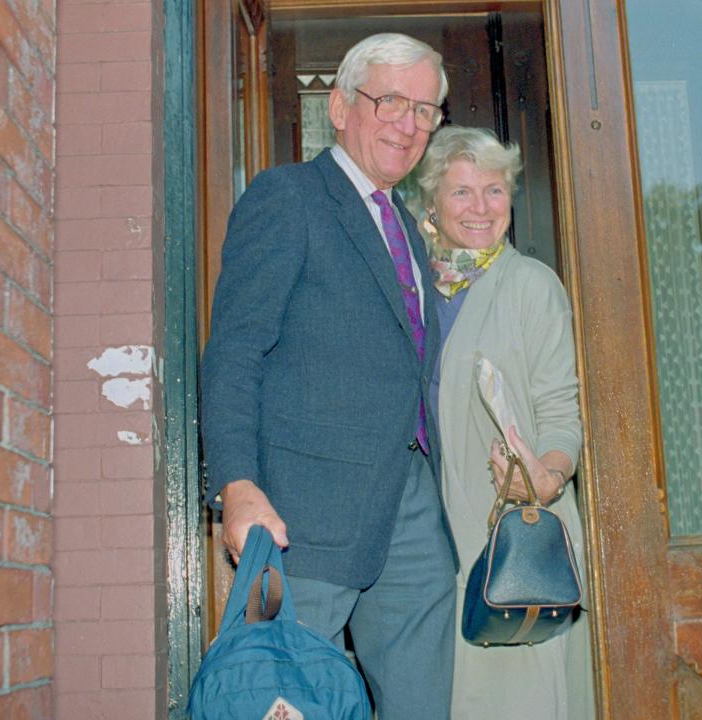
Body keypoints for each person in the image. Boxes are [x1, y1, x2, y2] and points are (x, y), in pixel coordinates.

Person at [200, 34, 457, 720]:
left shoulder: (405, 224)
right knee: (287, 703)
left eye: (426, 110)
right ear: (340, 107)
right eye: (392, 101)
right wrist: (237, 485)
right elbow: (235, 350)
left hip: (411, 517)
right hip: (304, 518)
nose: (409, 124)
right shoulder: (288, 197)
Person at [416, 126, 595, 719]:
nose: (480, 208)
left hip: (505, 532)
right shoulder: (412, 288)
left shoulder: (531, 286)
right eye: (462, 192)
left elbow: (561, 411)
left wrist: (548, 475)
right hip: (423, 540)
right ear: (431, 202)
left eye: (494, 191)